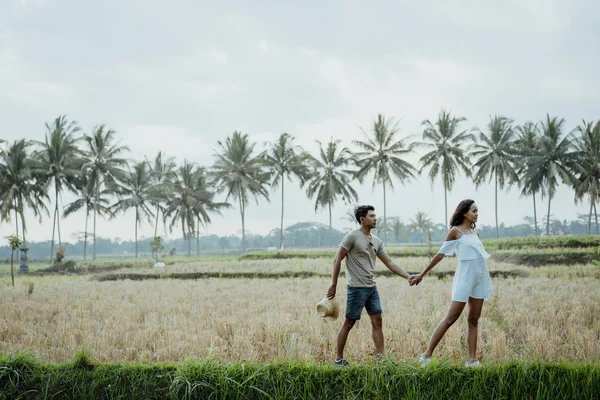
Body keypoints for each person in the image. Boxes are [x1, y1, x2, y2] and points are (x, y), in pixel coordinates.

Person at [327, 204, 414, 366]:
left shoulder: (377, 241)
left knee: (378, 321)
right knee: (349, 322)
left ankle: (382, 359)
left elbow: (389, 262)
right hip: (356, 288)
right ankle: (338, 359)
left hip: (371, 288)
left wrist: (407, 276)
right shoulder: (351, 237)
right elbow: (337, 259)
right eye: (372, 216)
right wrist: (334, 284)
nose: (375, 218)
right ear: (362, 219)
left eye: (375, 216)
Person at [410, 199, 491, 367]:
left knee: (474, 319)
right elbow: (440, 254)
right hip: (465, 276)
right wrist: (422, 274)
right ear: (464, 213)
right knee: (451, 317)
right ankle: (426, 356)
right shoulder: (455, 232)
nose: (477, 214)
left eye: (477, 211)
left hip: (480, 276)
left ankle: (471, 360)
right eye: (474, 211)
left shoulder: (474, 232)